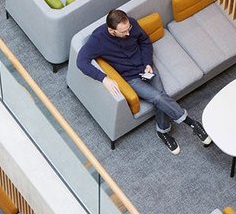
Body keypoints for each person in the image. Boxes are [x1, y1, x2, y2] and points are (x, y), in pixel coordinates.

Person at [76, 9, 211, 154]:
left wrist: (147, 63)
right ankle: (191, 123)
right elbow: (81, 62)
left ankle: (163, 132)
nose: (128, 33)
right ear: (112, 30)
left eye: (129, 29)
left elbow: (145, 41)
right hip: (131, 78)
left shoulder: (132, 24)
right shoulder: (98, 40)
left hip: (146, 68)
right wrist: (103, 78)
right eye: (123, 32)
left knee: (160, 96)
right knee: (158, 97)